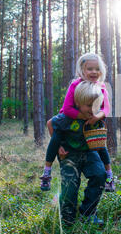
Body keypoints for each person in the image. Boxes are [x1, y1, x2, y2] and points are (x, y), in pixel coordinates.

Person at [40, 53, 115, 192]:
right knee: (56, 136)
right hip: (69, 120)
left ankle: (109, 176)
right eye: (90, 68)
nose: (94, 72)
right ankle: (47, 171)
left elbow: (106, 108)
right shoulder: (75, 84)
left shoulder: (101, 87)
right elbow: (67, 108)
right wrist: (82, 116)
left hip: (91, 121)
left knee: (101, 145)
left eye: (97, 69)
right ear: (82, 69)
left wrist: (96, 117)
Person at [46, 81, 107, 226]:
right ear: (78, 103)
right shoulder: (67, 117)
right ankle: (68, 217)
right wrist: (59, 146)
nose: (92, 109)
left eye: (96, 105)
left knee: (99, 175)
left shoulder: (95, 118)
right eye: (89, 105)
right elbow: (50, 123)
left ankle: (88, 213)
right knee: (70, 185)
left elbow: (101, 144)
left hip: (89, 152)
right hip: (69, 155)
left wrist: (108, 170)